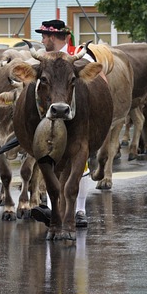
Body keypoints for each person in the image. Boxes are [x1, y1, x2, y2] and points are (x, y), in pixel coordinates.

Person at [29, 18, 95, 229]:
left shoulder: (79, 53)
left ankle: (80, 210)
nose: (42, 40)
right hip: (47, 117)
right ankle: (53, 210)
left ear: (52, 37)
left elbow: (95, 78)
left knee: (80, 163)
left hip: (76, 116)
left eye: (44, 36)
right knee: (51, 162)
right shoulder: (42, 58)